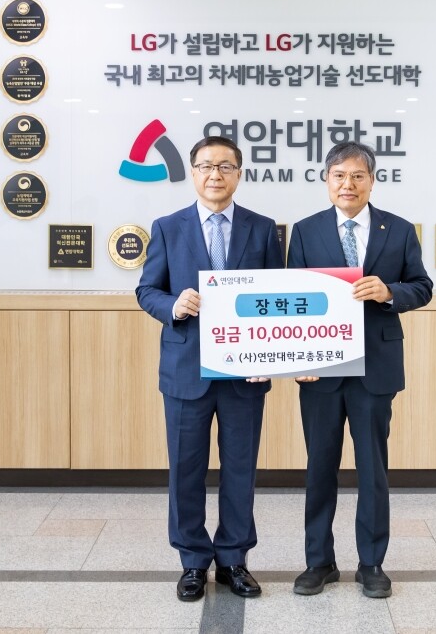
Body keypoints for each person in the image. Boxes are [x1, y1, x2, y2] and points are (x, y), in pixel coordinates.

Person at [136, 136, 283, 602]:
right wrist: (173, 305)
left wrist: (271, 357)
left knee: (240, 469)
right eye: (205, 166)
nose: (215, 174)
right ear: (193, 173)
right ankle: (193, 561)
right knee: (186, 470)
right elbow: (146, 290)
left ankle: (235, 559)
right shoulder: (167, 227)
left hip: (244, 372)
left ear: (239, 173)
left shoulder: (264, 229)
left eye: (225, 166)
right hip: (186, 371)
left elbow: (275, 300)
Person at [287, 141, 433, 599]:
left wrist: (389, 292)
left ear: (372, 180)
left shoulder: (399, 229)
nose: (347, 184)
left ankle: (371, 563)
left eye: (357, 176)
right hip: (322, 369)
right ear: (326, 180)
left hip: (375, 368)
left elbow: (422, 286)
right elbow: (293, 298)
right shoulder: (305, 231)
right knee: (319, 468)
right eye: (339, 175)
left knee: (373, 469)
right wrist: (299, 359)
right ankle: (319, 562)